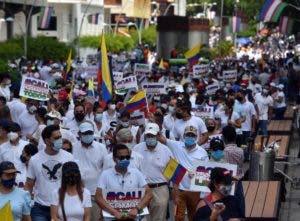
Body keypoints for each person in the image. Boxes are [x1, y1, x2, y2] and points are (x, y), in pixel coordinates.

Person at [158, 125, 209, 221]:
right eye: (187, 135)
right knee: (178, 216)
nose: (190, 137)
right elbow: (161, 139)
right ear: (184, 136)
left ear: (196, 137)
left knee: (194, 216)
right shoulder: (176, 145)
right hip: (178, 190)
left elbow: (206, 172)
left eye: (192, 135)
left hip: (195, 191)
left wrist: (196, 174)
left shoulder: (202, 152)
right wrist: (156, 125)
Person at [25, 125, 74, 221]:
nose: (60, 140)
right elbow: (29, 184)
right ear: (47, 141)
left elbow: (74, 183)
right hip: (40, 208)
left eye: (60, 137)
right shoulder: (35, 160)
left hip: (63, 207)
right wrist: (27, 204)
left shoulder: (69, 157)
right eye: (56, 138)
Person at [95, 144, 152, 220]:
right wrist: (114, 212)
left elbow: (149, 194)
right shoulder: (105, 174)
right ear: (114, 158)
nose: (125, 160)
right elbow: (98, 197)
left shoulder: (136, 173)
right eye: (121, 158)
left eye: (127, 157)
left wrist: (137, 208)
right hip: (113, 218)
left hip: (134, 217)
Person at [133, 122, 173, 221]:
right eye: (148, 135)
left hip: (160, 188)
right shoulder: (136, 149)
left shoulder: (166, 150)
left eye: (153, 135)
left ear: (158, 135)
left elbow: (172, 168)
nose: (150, 137)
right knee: (141, 218)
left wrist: (166, 182)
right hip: (141, 189)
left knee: (159, 218)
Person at [72, 121, 108, 221]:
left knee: (95, 218)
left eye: (90, 133)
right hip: (76, 192)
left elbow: (106, 170)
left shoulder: (101, 148)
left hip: (94, 193)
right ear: (79, 134)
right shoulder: (73, 147)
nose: (88, 135)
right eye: (85, 133)